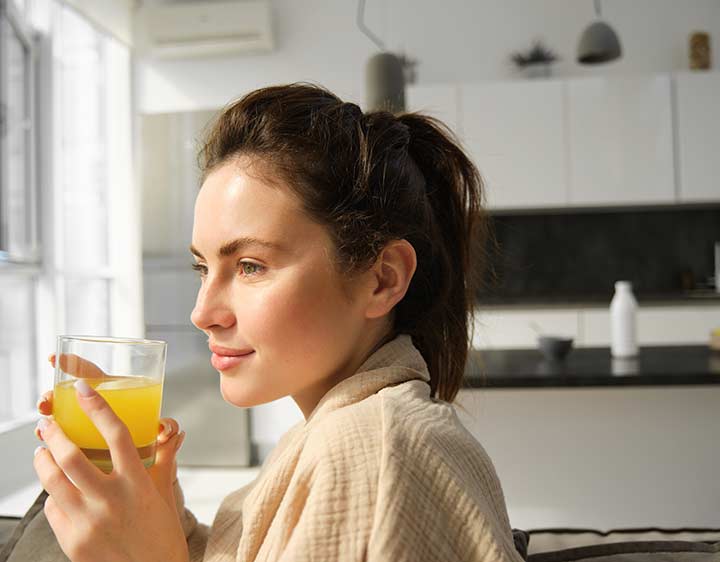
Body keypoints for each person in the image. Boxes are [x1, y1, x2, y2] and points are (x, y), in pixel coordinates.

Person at [30, 83, 521, 562]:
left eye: (250, 266)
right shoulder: (335, 431)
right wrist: (160, 515)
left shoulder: (370, 452)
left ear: (381, 280)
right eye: (203, 267)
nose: (202, 313)